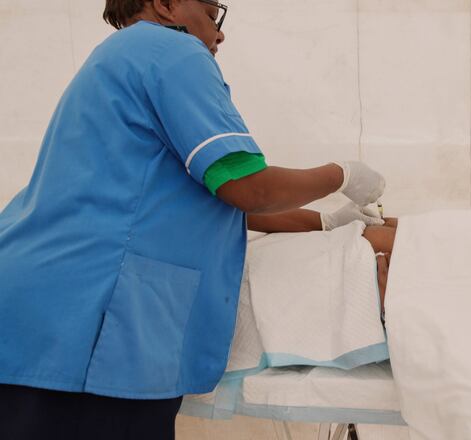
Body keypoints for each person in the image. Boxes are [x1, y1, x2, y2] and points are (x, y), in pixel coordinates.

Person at [0, 1, 385, 439]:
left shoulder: (116, 59)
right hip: (90, 323)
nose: (219, 34)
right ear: (165, 5)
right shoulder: (171, 51)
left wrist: (327, 223)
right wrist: (343, 174)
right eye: (209, 10)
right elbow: (247, 188)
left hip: (35, 311)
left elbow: (206, 200)